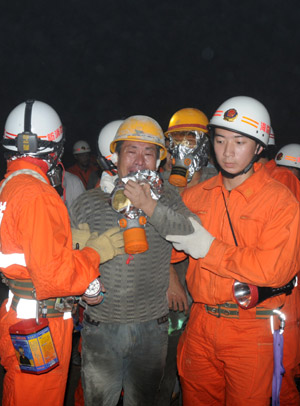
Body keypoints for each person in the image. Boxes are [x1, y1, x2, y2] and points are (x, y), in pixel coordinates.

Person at [166, 96, 300, 405]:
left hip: (250, 327)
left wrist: (208, 248)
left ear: (258, 147)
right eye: (221, 140)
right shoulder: (195, 196)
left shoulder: (280, 202)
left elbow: (274, 270)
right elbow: (170, 255)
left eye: (239, 142)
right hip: (199, 322)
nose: (227, 152)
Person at [0, 99, 124, 406]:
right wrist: (95, 252)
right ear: (54, 148)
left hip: (20, 312)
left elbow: (29, 250)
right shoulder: (38, 194)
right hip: (41, 324)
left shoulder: (10, 186)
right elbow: (54, 277)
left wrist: (68, 243)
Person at [69, 115, 197, 406]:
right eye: (131, 151)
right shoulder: (88, 202)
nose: (140, 160)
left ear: (158, 161)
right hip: (100, 327)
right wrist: (82, 289)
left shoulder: (168, 199)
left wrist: (148, 204)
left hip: (151, 329)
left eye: (148, 153)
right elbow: (70, 259)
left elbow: (192, 234)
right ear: (116, 157)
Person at [157, 107, 217, 406]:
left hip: (208, 275)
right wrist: (170, 280)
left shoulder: (218, 181)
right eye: (176, 138)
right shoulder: (160, 183)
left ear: (204, 143)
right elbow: (153, 234)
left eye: (191, 139)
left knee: (202, 357)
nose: (183, 146)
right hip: (173, 276)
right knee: (171, 343)